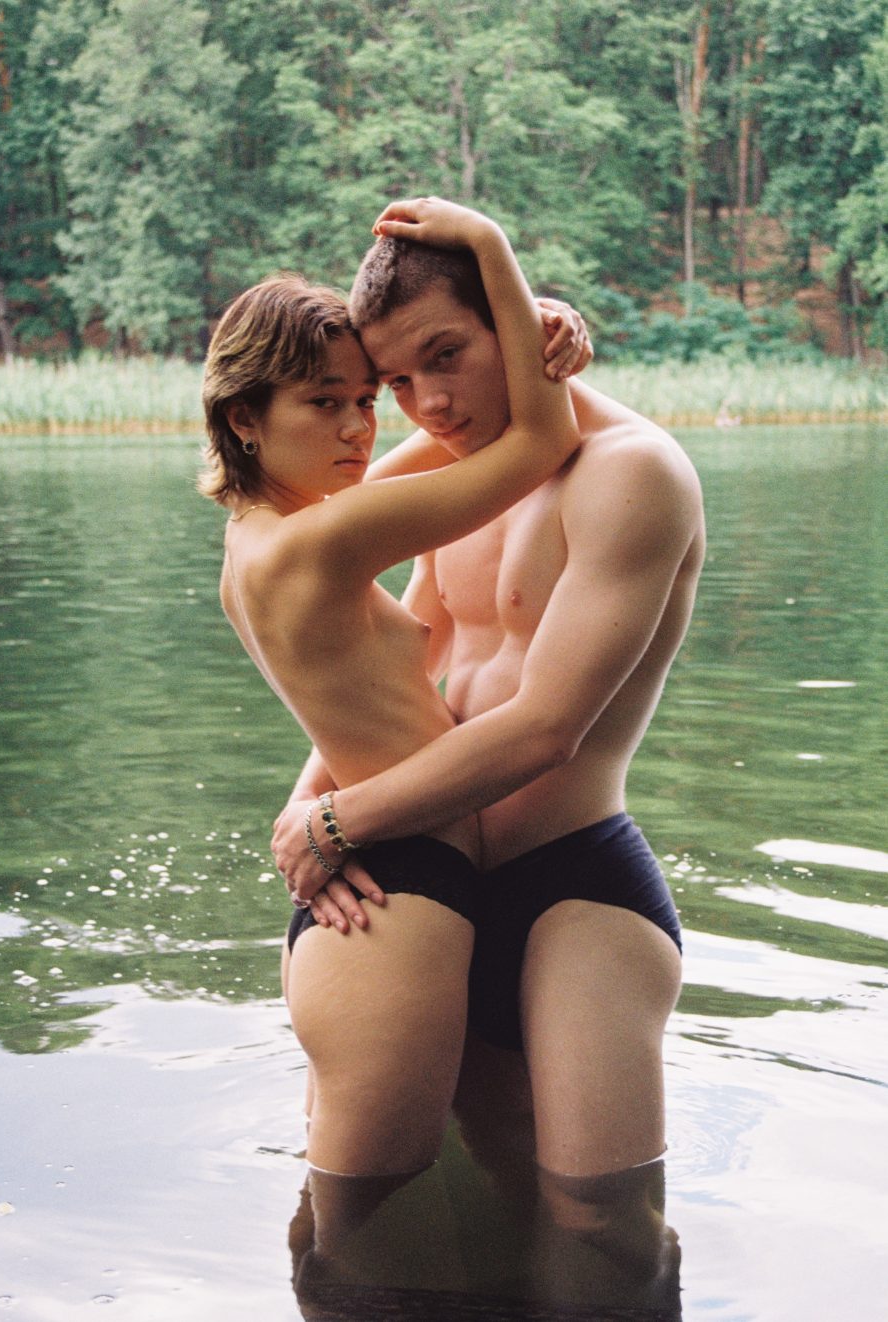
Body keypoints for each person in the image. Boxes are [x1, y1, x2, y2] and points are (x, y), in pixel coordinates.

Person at [272, 195, 705, 1190]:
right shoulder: (463, 472)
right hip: (413, 865)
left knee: (599, 1229)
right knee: (357, 1202)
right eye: (398, 381)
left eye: (450, 356)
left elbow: (547, 727)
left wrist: (335, 821)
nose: (431, 404)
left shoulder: (634, 475)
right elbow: (397, 661)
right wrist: (309, 804)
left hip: (571, 889)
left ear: (514, 320)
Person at [199, 198, 581, 1181]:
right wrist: (492, 248)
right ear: (246, 416)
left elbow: (459, 446)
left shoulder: (268, 537)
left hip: (368, 881)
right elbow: (535, 445)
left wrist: (533, 325)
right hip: (392, 905)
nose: (361, 426)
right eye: (323, 402)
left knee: (349, 1228)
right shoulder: (324, 540)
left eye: (368, 398)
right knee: (363, 1242)